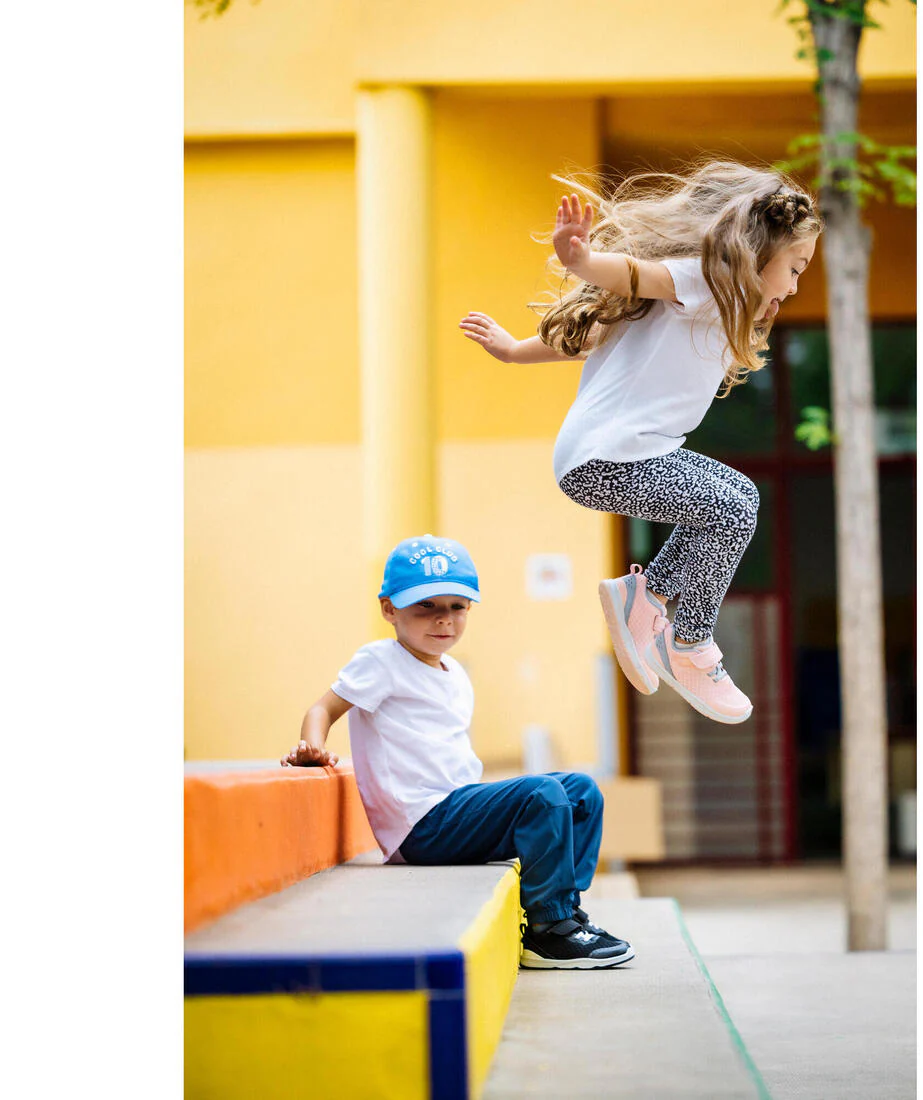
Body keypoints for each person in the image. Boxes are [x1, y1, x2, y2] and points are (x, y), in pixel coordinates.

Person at [460, 160, 821, 724]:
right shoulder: (704, 281)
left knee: (725, 507)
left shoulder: (717, 308)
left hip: (609, 456)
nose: (797, 283)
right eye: (796, 266)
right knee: (734, 502)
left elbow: (595, 338)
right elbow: (635, 275)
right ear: (760, 251)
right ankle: (689, 644)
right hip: (612, 456)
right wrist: (579, 260)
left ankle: (645, 600)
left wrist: (513, 351)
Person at [281, 534, 634, 970]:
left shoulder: (455, 673)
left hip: (457, 811)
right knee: (540, 794)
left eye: (456, 607)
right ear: (389, 609)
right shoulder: (381, 660)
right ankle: (548, 930)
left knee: (581, 790)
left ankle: (568, 914)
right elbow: (324, 708)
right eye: (425, 606)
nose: (443, 619)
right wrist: (312, 747)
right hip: (423, 826)